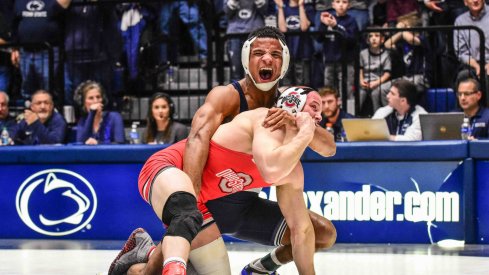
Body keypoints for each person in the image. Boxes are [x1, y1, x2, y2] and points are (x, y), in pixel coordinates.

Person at [109, 26, 335, 275]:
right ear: (246, 59)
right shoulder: (227, 96)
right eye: (259, 53)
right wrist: (192, 199)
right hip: (203, 188)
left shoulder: (288, 105)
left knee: (321, 233)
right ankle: (145, 258)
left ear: (285, 64)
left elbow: (328, 148)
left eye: (275, 54)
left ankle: (260, 269)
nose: (267, 59)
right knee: (171, 250)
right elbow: (197, 138)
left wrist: (300, 121)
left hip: (239, 196)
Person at [11, 0, 71, 101]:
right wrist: (14, 48)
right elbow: (15, 24)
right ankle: (29, 113)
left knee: (48, 88)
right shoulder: (20, 2)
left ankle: (50, 114)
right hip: (25, 51)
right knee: (27, 88)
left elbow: (65, 4)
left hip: (48, 52)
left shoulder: (53, 1)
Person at [317, 0, 359, 99]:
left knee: (346, 91)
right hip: (329, 61)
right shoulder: (328, 19)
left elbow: (352, 40)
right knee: (328, 90)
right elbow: (319, 38)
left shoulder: (351, 20)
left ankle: (348, 113)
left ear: (349, 5)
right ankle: (329, 113)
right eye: (338, 1)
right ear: (333, 4)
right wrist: (323, 24)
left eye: (344, 2)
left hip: (346, 62)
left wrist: (335, 26)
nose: (341, 5)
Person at [274, 0, 315, 86]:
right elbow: (283, 29)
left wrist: (300, 6)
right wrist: (280, 8)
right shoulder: (283, 9)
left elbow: (304, 27)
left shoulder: (308, 8)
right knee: (286, 83)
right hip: (287, 53)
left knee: (303, 83)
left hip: (303, 51)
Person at [224, 0, 267, 81]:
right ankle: (237, 93)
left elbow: (265, 11)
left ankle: (257, 93)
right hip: (235, 33)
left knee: (257, 70)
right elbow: (227, 12)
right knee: (236, 73)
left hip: (255, 32)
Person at [453, 0, 489, 91]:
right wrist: (476, 66)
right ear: (465, 2)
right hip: (472, 65)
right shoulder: (460, 21)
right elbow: (461, 52)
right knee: (463, 76)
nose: (475, 0)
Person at [74, 80, 125, 145]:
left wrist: (99, 144)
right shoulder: (83, 121)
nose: (96, 101)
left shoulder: (114, 117)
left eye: (98, 97)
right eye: (91, 98)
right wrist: (92, 114)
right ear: (84, 102)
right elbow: (80, 144)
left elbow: (120, 143)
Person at [359, 28, 391, 114]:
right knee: (360, 94)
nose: (373, 38)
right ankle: (354, 116)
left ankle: (378, 117)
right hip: (365, 83)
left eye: (377, 36)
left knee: (376, 93)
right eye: (371, 36)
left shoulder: (386, 54)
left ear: (382, 39)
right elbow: (360, 69)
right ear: (367, 40)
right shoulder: (363, 53)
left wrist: (376, 83)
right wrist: (361, 81)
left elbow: (387, 74)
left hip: (379, 82)